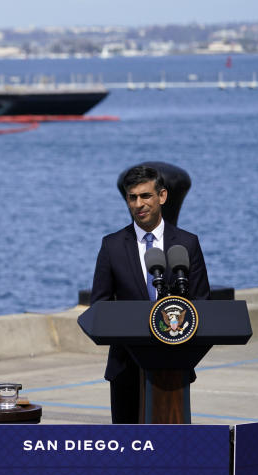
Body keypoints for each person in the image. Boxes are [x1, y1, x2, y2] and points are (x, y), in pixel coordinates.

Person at [89, 165, 210, 423]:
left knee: (173, 449)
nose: (138, 204)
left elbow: (202, 302)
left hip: (175, 365)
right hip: (126, 369)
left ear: (163, 196)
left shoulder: (187, 243)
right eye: (132, 197)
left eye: (145, 196)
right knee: (129, 451)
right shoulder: (112, 246)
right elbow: (99, 305)